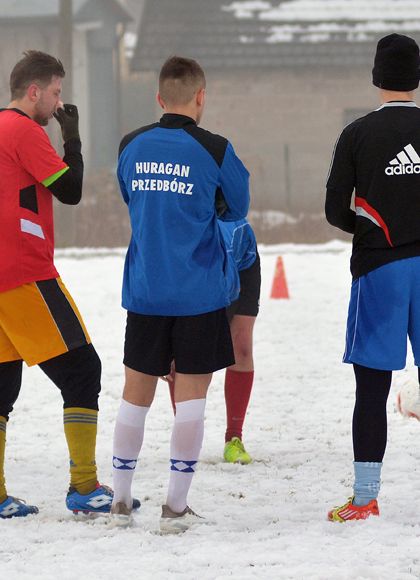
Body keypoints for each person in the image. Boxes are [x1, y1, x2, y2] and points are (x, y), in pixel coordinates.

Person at [0, 50, 131, 520]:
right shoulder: (23, 130)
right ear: (33, 91)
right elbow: (71, 190)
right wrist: (71, 139)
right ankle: (84, 488)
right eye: (56, 93)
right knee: (83, 370)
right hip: (23, 274)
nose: (59, 103)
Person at [325, 33, 420, 520]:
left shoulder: (355, 134)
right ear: (417, 78)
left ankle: (366, 499)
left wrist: (368, 230)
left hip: (379, 270)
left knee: (371, 387)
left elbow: (334, 210)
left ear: (376, 78)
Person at [111, 55, 250, 533]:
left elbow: (129, 194)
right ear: (201, 97)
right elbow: (238, 205)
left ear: (159, 98)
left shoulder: (131, 144)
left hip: (146, 290)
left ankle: (122, 499)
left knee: (135, 394)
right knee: (191, 399)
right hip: (199, 294)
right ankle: (174, 506)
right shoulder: (215, 148)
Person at [167, 217, 260, 464]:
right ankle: (185, 436)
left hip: (240, 260)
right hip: (192, 270)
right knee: (184, 356)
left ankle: (234, 438)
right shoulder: (173, 242)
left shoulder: (223, 245)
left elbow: (228, 291)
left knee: (240, 346)